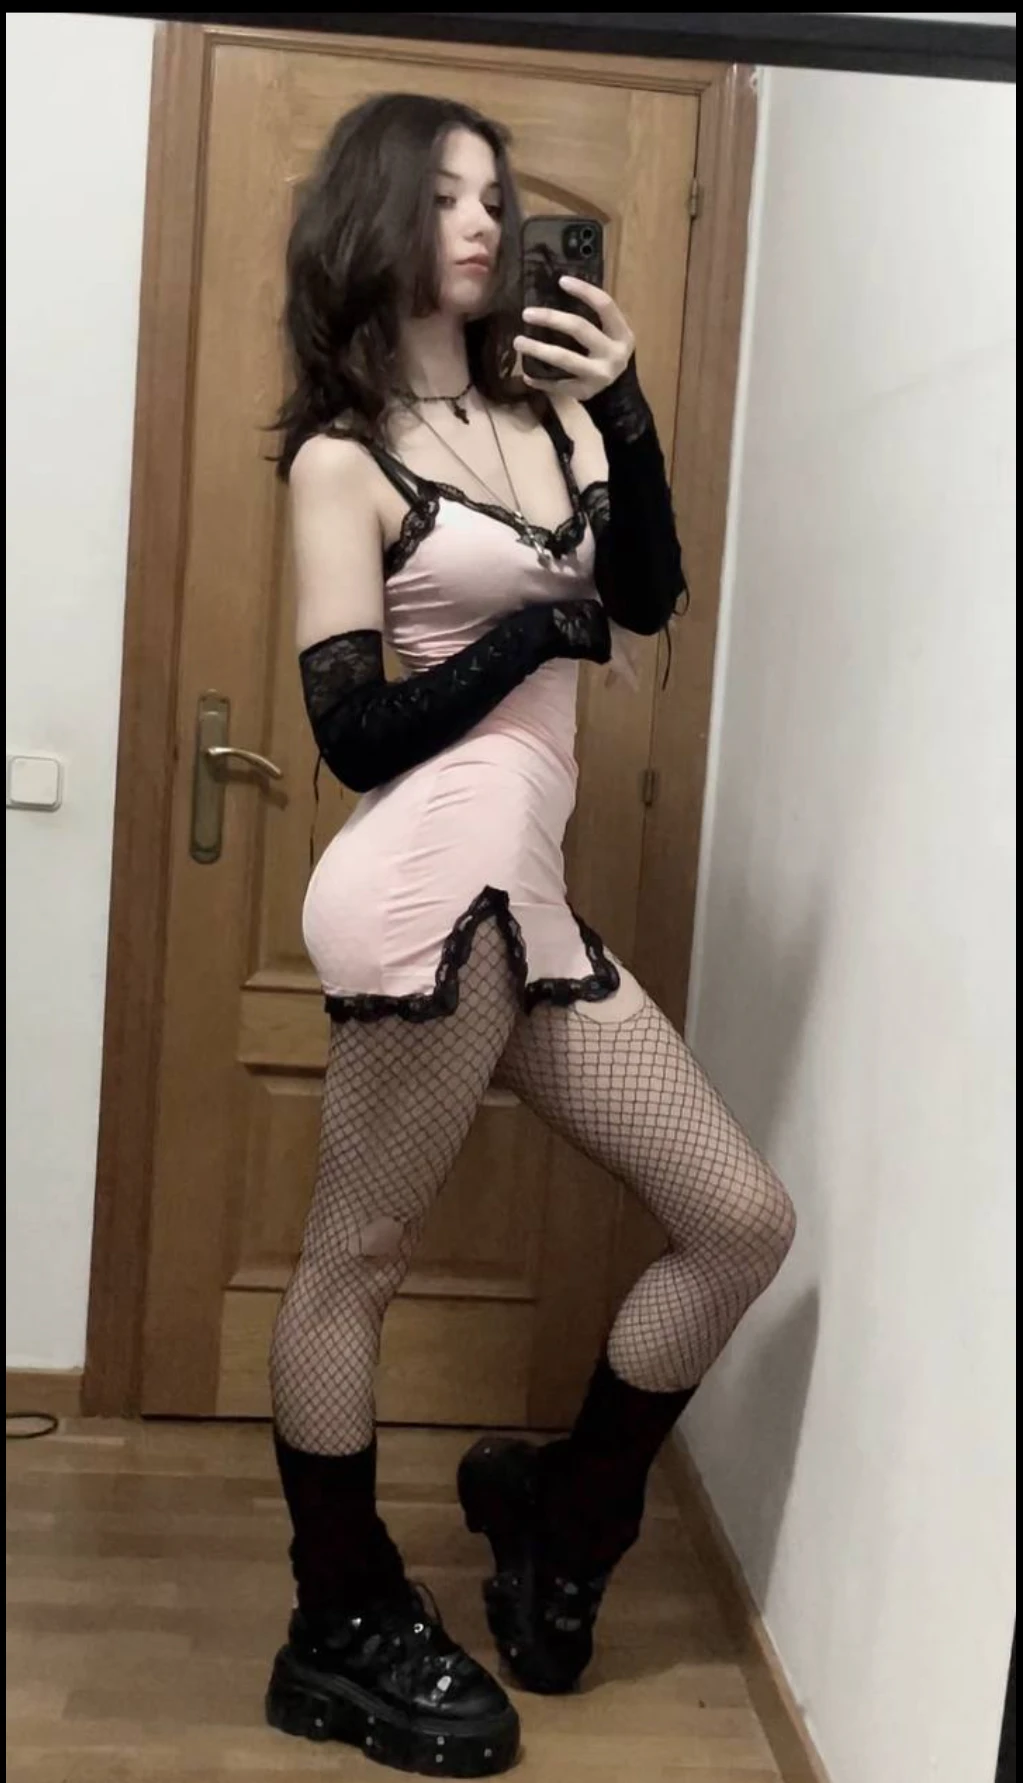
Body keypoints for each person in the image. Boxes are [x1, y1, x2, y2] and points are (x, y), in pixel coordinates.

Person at [265, 92, 796, 1778]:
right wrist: (527, 636)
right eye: (445, 197)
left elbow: (642, 595)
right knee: (357, 1256)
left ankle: (566, 1510)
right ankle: (337, 1613)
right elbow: (351, 728)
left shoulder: (547, 420)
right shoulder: (342, 460)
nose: (485, 223)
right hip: (426, 888)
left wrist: (620, 406)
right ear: (374, 219)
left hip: (528, 895)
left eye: (495, 196)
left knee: (737, 1220)